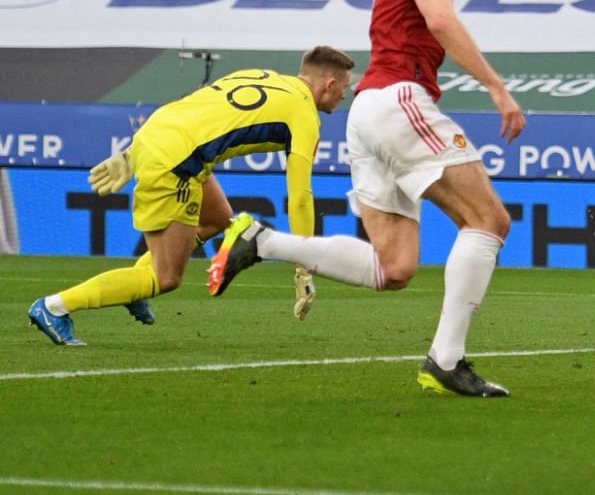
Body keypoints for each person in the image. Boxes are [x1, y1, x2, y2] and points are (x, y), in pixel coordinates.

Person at [208, 0, 527, 398]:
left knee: (393, 267)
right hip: (399, 100)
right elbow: (440, 18)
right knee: (489, 221)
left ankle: (263, 242)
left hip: (368, 112)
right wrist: (496, 86)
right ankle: (445, 360)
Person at [27, 46, 356, 346]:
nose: (345, 94)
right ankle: (55, 306)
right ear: (328, 84)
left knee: (218, 219)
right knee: (166, 277)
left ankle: (135, 290)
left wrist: (133, 150)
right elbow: (300, 197)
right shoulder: (304, 116)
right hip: (176, 161)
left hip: (163, 138)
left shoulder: (262, 76)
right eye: (344, 87)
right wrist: (304, 266)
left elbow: (193, 107)